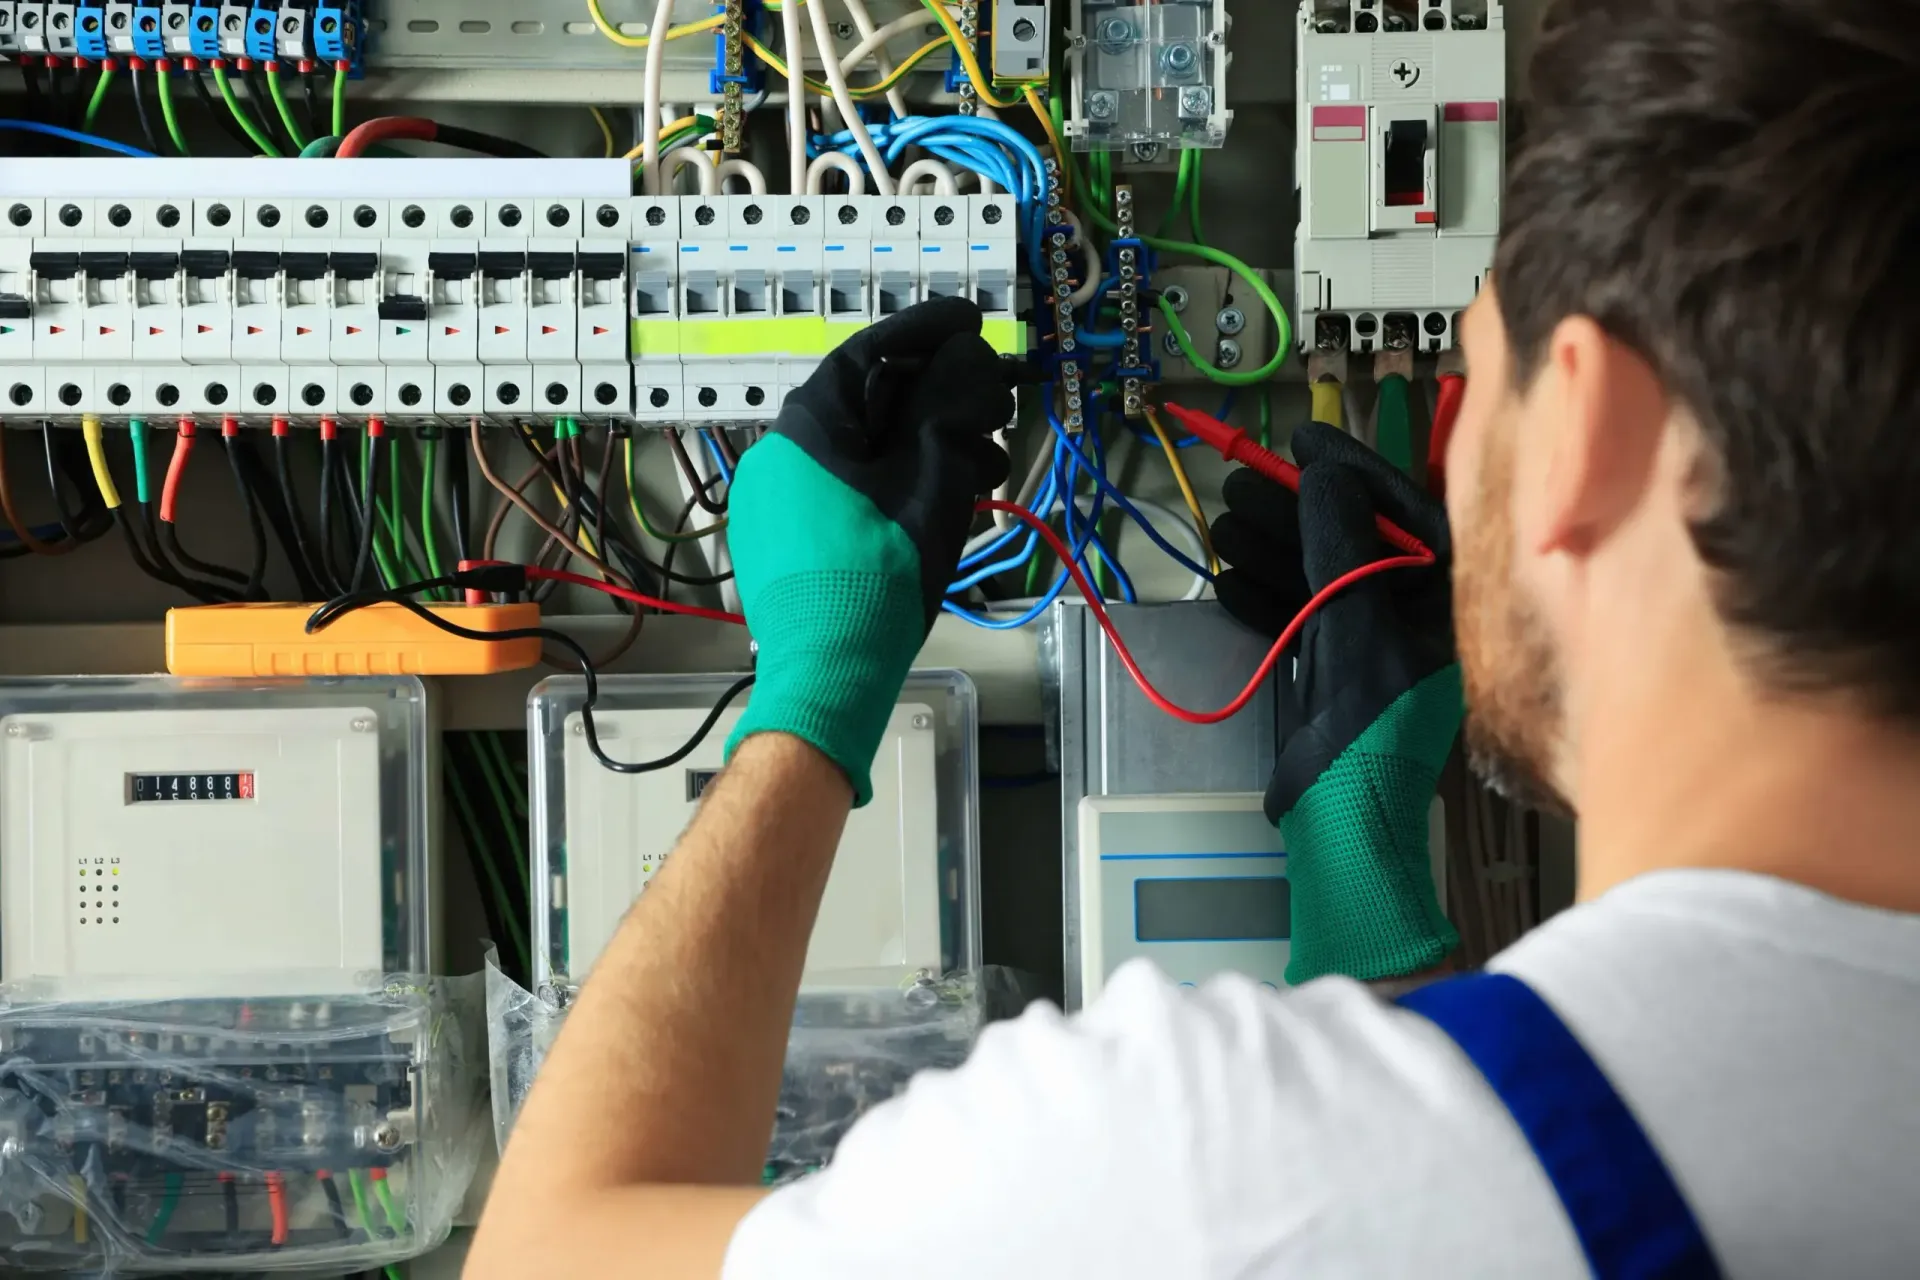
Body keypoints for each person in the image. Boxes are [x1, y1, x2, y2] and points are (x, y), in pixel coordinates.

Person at [468, 0, 1920, 1272]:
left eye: (1482, 379)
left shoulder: (1206, 1164)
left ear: (1593, 431)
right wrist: (1368, 897)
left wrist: (815, 692)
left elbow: (547, 1256)